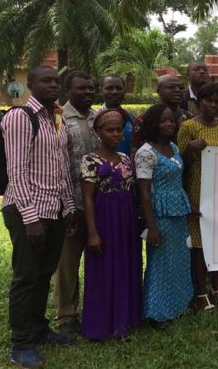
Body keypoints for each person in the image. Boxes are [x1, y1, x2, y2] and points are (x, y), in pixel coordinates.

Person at [1, 66, 76, 368]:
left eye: (57, 81)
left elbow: (62, 167)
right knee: (26, 277)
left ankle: (39, 329)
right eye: (46, 81)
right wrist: (30, 218)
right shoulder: (20, 118)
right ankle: (21, 344)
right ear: (30, 85)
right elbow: (16, 172)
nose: (53, 85)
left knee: (44, 274)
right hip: (26, 211)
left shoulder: (56, 120)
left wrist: (69, 207)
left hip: (55, 209)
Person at [80, 109, 142, 340]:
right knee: (104, 268)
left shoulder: (126, 158)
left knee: (126, 265)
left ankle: (125, 319)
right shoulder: (90, 160)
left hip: (126, 219)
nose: (116, 134)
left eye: (119, 130)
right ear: (98, 132)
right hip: (105, 219)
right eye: (110, 130)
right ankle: (102, 324)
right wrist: (93, 232)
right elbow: (87, 198)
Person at [178, 84, 218, 307]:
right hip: (197, 189)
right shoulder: (188, 127)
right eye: (208, 101)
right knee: (200, 244)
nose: (213, 105)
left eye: (217, 101)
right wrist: (190, 149)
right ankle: (202, 292)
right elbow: (178, 164)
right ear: (199, 101)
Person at [135, 104, 194, 326]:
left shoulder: (174, 147)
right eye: (163, 121)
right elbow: (143, 191)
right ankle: (156, 313)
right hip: (160, 214)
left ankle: (178, 306)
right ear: (152, 124)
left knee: (179, 259)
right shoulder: (146, 152)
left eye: (171, 120)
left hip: (179, 210)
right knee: (161, 263)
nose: (169, 124)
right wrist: (151, 226)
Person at [55, 70, 97, 335]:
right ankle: (66, 316)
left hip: (98, 201)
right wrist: (66, 204)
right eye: (82, 88)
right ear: (68, 90)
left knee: (97, 258)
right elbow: (56, 165)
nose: (87, 92)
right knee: (67, 262)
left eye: (91, 88)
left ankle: (96, 307)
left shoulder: (99, 116)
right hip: (70, 202)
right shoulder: (58, 118)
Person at [132, 74, 191, 153]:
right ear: (158, 90)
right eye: (171, 87)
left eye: (181, 88)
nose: (178, 90)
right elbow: (135, 151)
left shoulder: (190, 118)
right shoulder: (144, 119)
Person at [98, 74, 135, 155]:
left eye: (119, 88)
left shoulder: (132, 119)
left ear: (125, 91)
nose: (114, 92)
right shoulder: (94, 119)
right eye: (109, 88)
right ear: (100, 91)